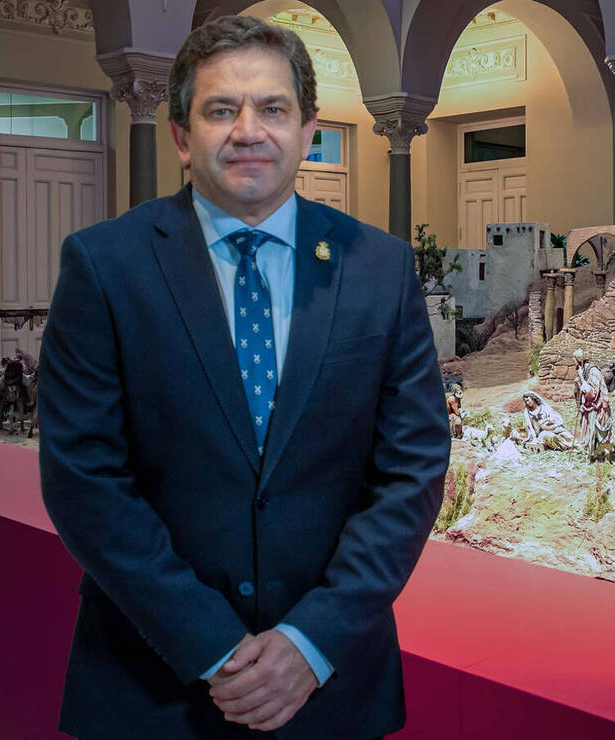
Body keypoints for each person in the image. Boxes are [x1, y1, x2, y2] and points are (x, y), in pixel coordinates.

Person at [38, 15, 450, 740]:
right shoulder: (105, 267)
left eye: (273, 109)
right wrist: (215, 648)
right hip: (151, 685)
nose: (248, 131)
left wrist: (311, 642)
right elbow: (84, 478)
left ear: (307, 130)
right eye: (221, 109)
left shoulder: (380, 269)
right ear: (180, 136)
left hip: (331, 688)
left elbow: (412, 469)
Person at [572, 348, 615, 462]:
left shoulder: (593, 372)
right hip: (589, 408)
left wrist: (581, 379)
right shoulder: (584, 371)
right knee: (589, 432)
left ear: (580, 361)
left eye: (575, 361)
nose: (574, 364)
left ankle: (606, 458)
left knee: (600, 433)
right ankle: (591, 455)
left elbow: (591, 394)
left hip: (598, 408)